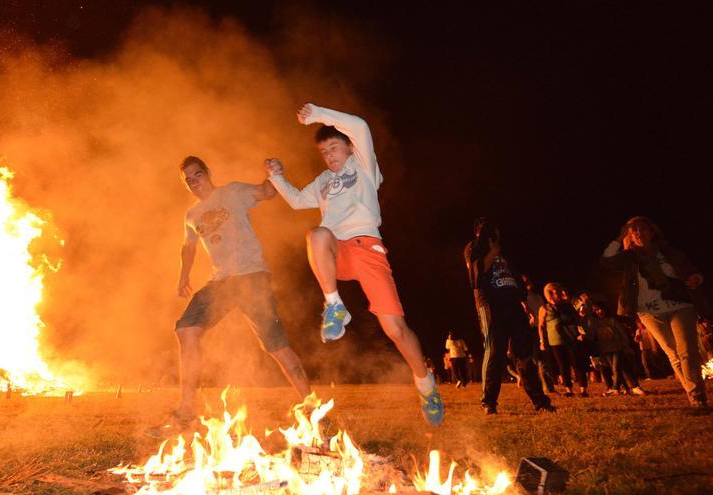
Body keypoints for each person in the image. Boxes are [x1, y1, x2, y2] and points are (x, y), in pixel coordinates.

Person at [265, 103, 443, 426]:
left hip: (368, 249)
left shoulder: (363, 165)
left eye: (334, 147)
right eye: (324, 152)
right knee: (317, 234)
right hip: (339, 252)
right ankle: (334, 305)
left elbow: (360, 125)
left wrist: (318, 114)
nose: (330, 156)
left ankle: (425, 384)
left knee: (396, 330)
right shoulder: (322, 181)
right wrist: (277, 177)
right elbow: (295, 200)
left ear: (348, 146)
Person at [151, 156, 313, 436]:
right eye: (188, 180)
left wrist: (275, 174)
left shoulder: (233, 192)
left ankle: (312, 410)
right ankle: (187, 413)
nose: (194, 182)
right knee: (186, 330)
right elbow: (187, 248)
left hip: (252, 277)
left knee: (276, 347)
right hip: (221, 282)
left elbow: (266, 192)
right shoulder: (191, 216)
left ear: (208, 173)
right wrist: (183, 275)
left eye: (197, 175)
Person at [601, 216, 710, 409]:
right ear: (629, 236)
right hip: (648, 312)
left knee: (687, 353)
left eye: (642, 229)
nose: (638, 233)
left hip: (679, 306)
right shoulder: (628, 258)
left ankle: (697, 398)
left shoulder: (670, 253)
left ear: (652, 232)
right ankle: (694, 394)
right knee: (673, 353)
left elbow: (692, 272)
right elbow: (607, 260)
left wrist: (697, 278)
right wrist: (619, 237)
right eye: (633, 231)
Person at [465, 218, 554, 414]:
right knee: (495, 353)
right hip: (490, 305)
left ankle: (540, 401)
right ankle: (489, 402)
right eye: (488, 230)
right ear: (478, 232)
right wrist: (492, 252)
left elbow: (516, 280)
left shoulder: (504, 251)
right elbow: (476, 277)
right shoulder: (473, 248)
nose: (494, 234)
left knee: (523, 355)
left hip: (513, 305)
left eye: (496, 230)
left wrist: (523, 302)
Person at [583, 301, 646, 396]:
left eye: (600, 309)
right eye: (596, 310)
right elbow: (591, 334)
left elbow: (622, 334)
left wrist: (626, 345)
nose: (599, 312)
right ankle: (630, 387)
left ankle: (615, 388)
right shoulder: (596, 323)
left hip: (617, 347)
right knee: (621, 368)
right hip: (606, 350)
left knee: (616, 368)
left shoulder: (612, 320)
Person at [538, 283, 588, 397]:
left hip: (571, 338)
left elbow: (576, 320)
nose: (557, 294)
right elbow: (541, 326)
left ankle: (583, 389)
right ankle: (568, 389)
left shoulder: (567, 305)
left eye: (558, 292)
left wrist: (581, 330)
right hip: (555, 341)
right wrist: (542, 341)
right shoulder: (544, 308)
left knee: (577, 363)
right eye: (554, 292)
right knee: (562, 365)